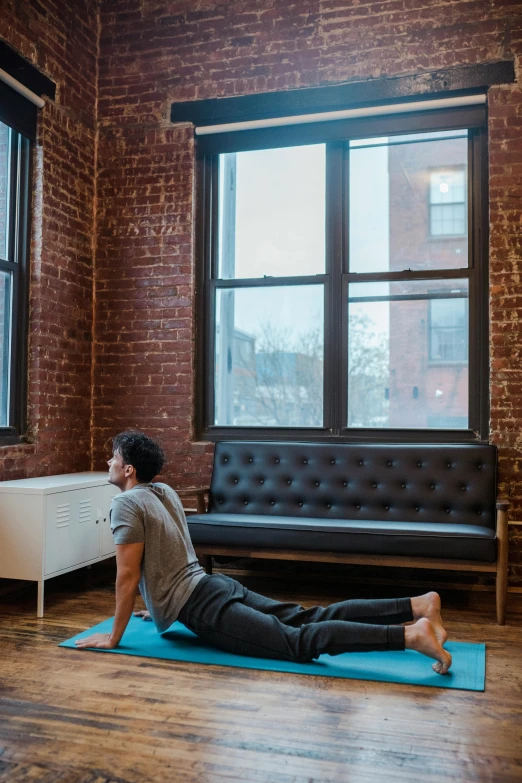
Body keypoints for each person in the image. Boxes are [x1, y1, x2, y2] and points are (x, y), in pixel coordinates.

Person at [76, 430, 452, 674]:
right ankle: (417, 604)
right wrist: (157, 603)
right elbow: (174, 556)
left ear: (128, 468)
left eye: (112, 457)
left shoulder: (125, 505)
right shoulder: (165, 492)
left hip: (203, 606)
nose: (108, 462)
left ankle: (410, 636)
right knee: (310, 617)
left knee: (298, 642)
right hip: (215, 586)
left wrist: (114, 637)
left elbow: (126, 578)